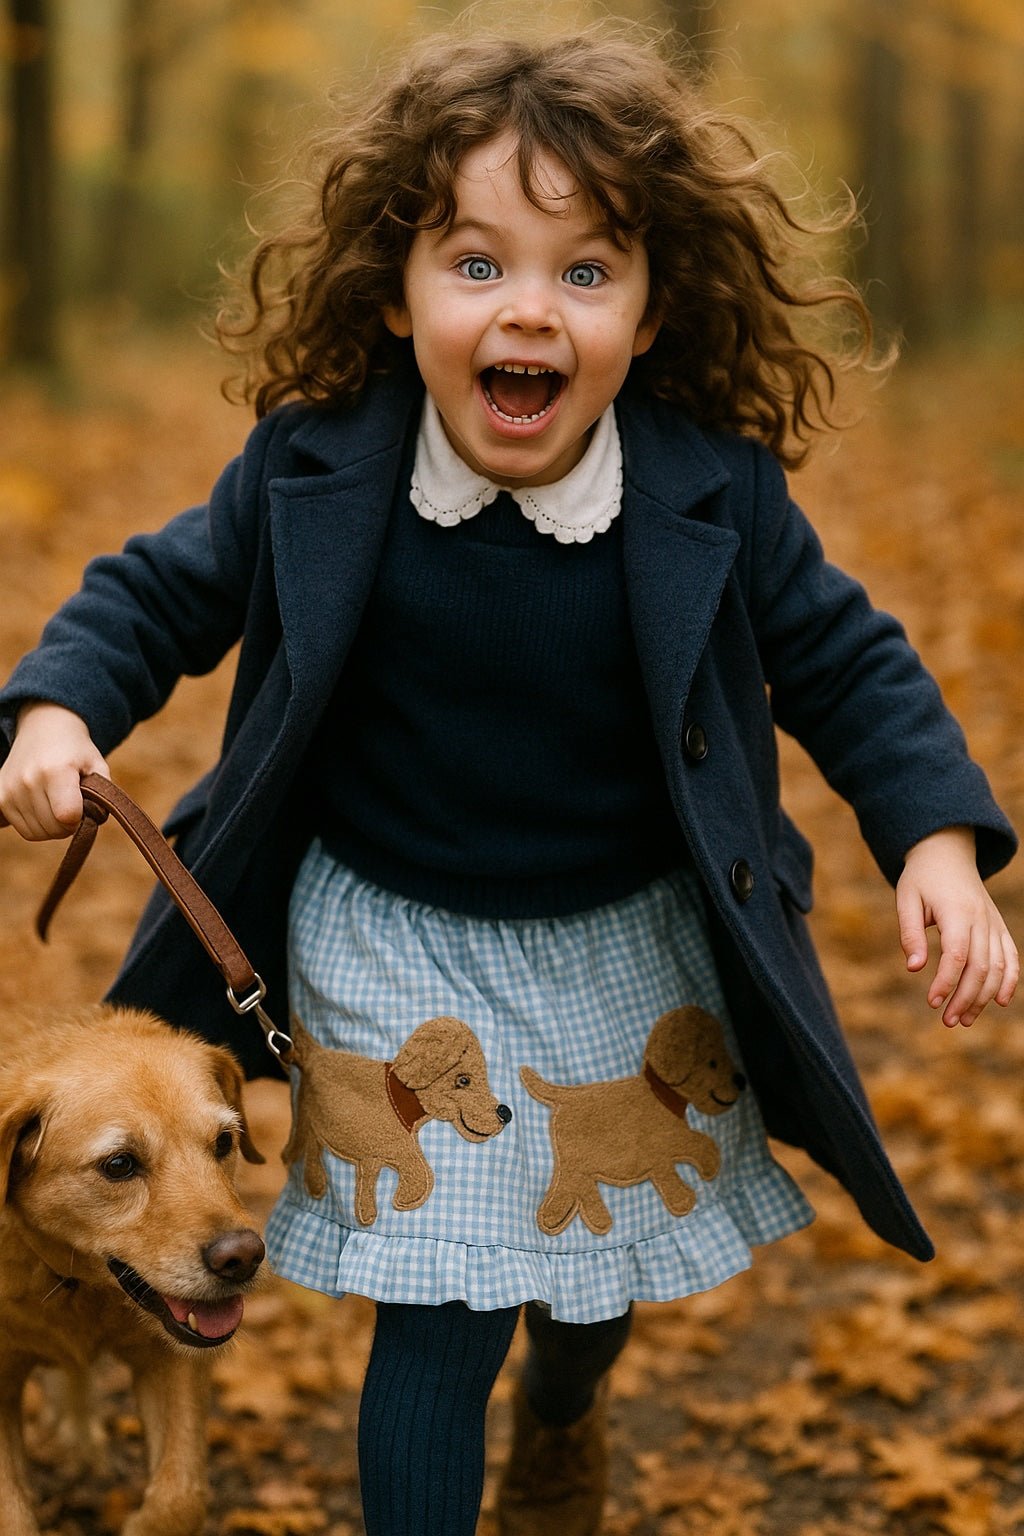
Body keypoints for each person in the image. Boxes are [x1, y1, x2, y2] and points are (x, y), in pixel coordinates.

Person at [0, 24, 1017, 1536]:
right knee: (446, 1305)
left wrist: (934, 838)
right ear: (396, 294)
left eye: (586, 272)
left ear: (655, 307)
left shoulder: (707, 486)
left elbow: (846, 660)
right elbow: (156, 594)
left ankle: (567, 1404)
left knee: (585, 1279)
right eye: (475, 263)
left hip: (624, 931)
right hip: (391, 936)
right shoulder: (315, 468)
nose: (527, 308)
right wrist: (57, 708)